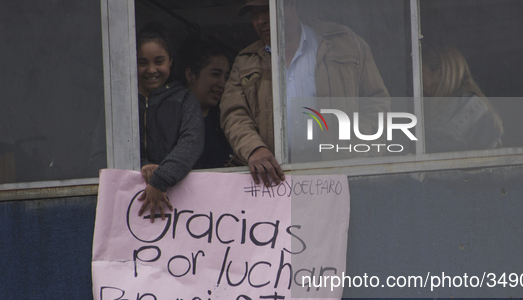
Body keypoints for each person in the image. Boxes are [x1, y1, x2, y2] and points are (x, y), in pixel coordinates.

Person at [220, 0, 389, 187]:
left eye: (267, 10)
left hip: (342, 175)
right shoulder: (245, 61)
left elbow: (376, 101)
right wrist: (254, 148)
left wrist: (359, 147)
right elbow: (233, 113)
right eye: (254, 15)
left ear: (291, 6)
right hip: (276, 183)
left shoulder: (344, 42)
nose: (261, 21)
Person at [136, 22, 204, 222]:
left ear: (171, 61)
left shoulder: (185, 99)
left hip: (184, 209)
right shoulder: (121, 106)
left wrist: (161, 178)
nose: (151, 70)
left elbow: (192, 143)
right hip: (131, 206)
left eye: (159, 61)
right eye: (142, 62)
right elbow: (101, 152)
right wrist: (142, 166)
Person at [421, 42, 503, 153]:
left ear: (439, 73)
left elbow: (440, 145)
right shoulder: (445, 108)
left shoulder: (471, 107)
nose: (418, 83)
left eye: (422, 74)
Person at [180, 36, 236, 169]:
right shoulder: (171, 119)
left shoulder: (224, 122)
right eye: (215, 74)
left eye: (226, 77)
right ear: (190, 75)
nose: (222, 83)